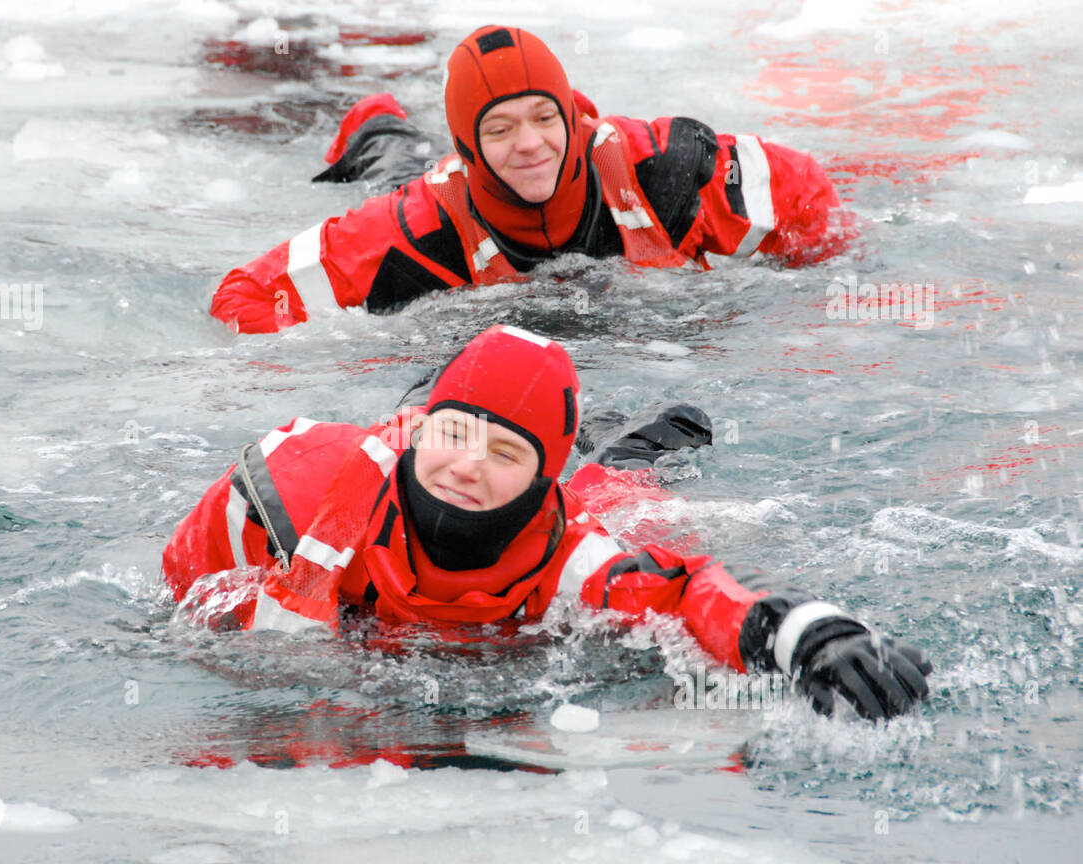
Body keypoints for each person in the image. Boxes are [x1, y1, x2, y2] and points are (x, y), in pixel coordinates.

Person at [162, 325, 929, 720]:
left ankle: (635, 451)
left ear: (541, 480)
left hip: (579, 503)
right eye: (454, 435)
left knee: (613, 498)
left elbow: (690, 591)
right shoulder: (285, 487)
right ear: (420, 428)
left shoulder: (574, 557)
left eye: (506, 453)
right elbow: (178, 585)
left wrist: (808, 635)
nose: (467, 466)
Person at [211, 24, 853, 335]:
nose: (529, 146)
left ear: (571, 116)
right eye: (500, 130)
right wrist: (361, 351)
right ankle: (376, 123)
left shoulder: (663, 172)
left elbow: (807, 195)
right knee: (397, 166)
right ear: (469, 146)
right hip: (439, 198)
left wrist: (804, 285)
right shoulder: (412, 230)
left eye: (545, 117)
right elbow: (240, 296)